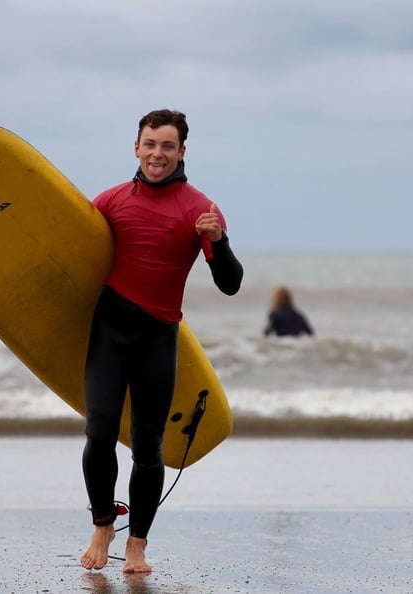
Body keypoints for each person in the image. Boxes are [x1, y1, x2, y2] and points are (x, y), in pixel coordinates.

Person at [78, 109, 243, 573]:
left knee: (148, 446)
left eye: (167, 146)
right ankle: (103, 523)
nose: (157, 154)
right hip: (109, 330)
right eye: (150, 144)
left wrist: (220, 242)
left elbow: (230, 284)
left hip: (158, 336)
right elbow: (67, 268)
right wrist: (8, 317)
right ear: (136, 147)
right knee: (99, 432)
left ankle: (137, 546)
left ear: (182, 152)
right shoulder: (109, 202)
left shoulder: (200, 211)